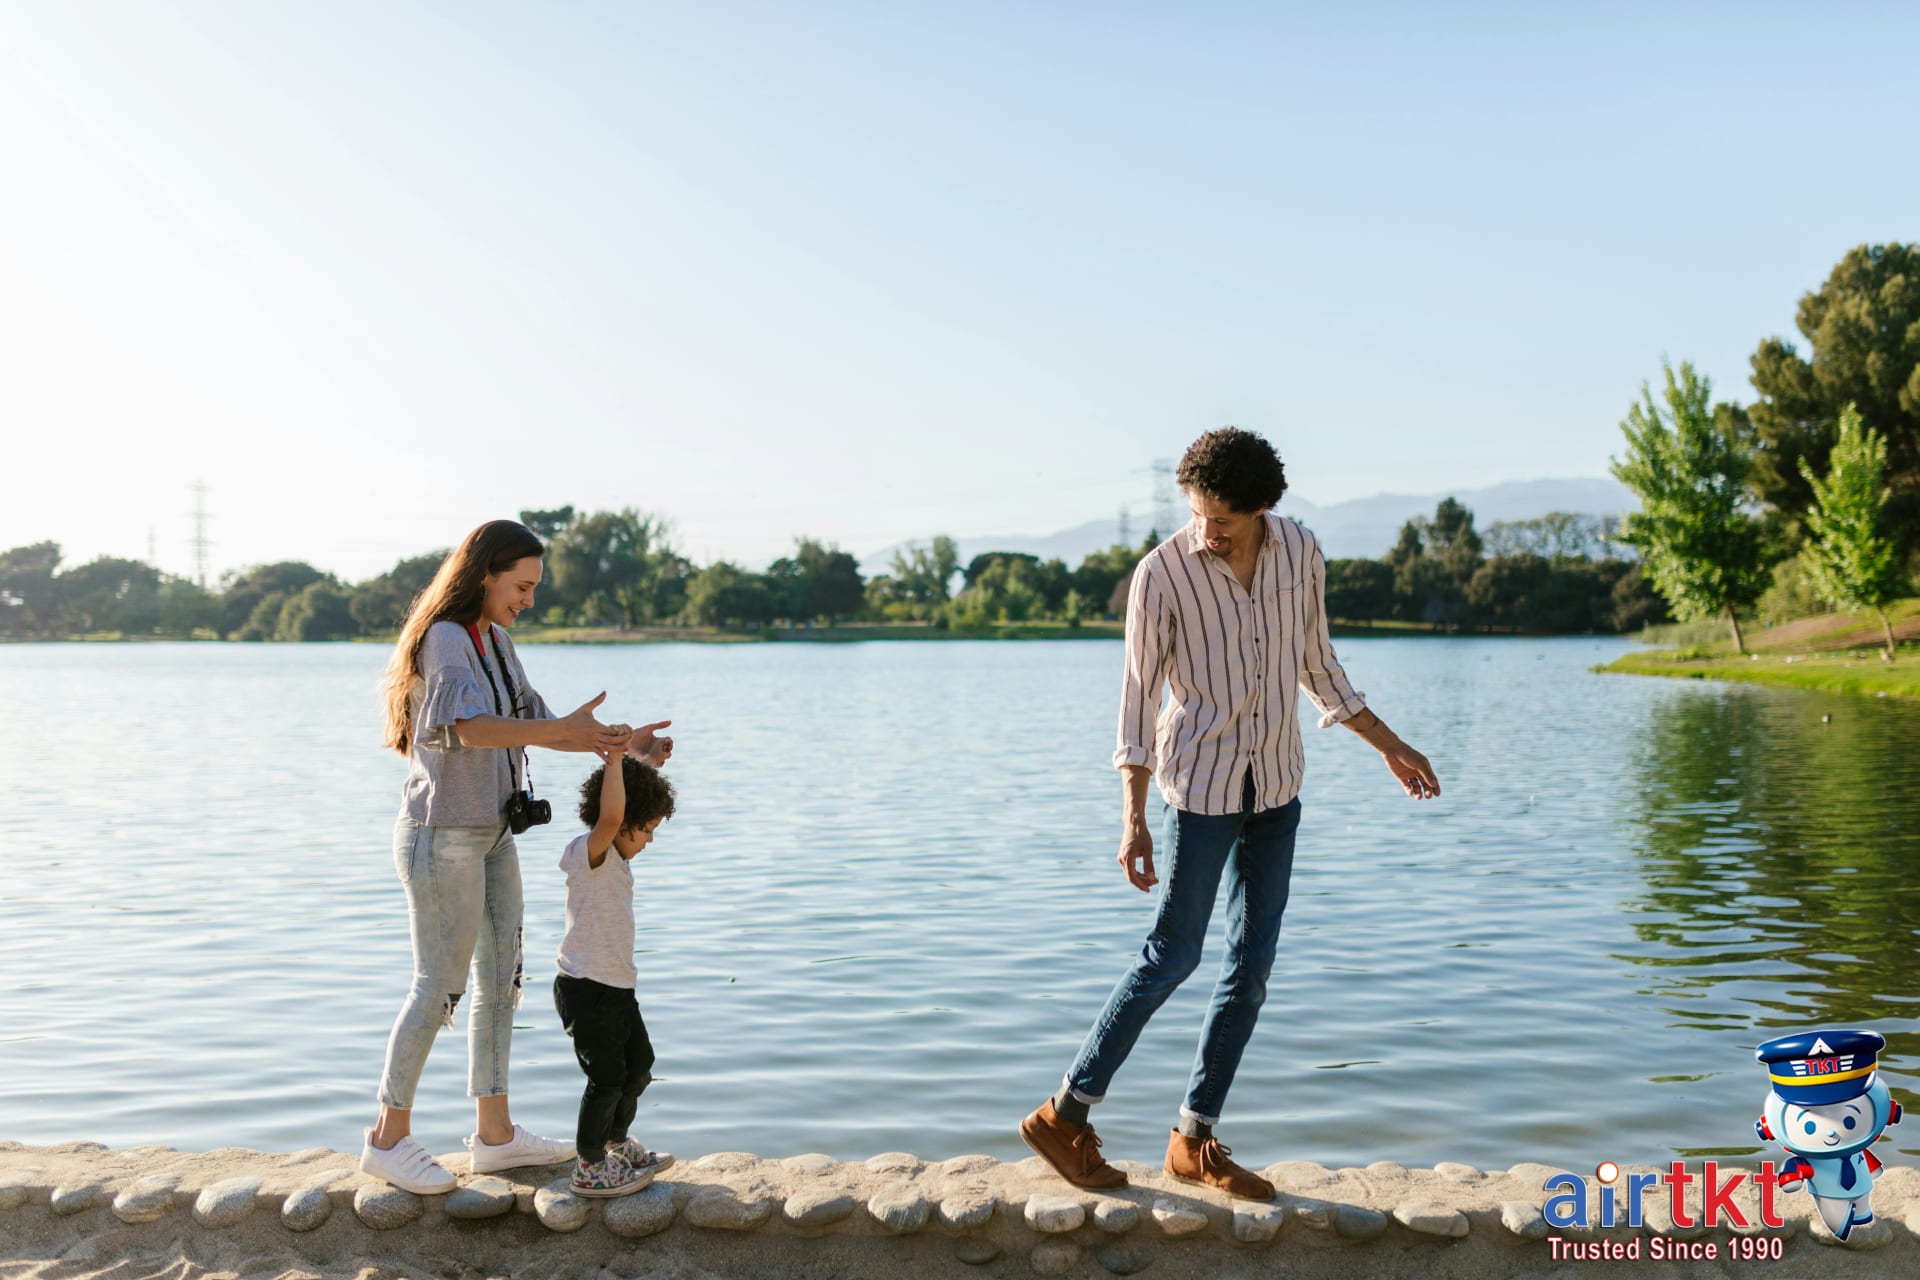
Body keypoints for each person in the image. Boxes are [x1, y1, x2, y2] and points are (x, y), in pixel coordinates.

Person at [1020, 428, 1441, 1201]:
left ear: (1262, 509)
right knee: (1173, 955)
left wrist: (1390, 745)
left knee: (1249, 974)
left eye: (1224, 520)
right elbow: (1137, 701)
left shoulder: (1301, 553)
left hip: (1276, 788)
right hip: (1201, 790)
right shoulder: (1162, 574)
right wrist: (1132, 817)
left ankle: (1193, 1138)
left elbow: (1319, 665)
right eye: (1198, 514)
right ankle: (1065, 1114)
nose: (1207, 531)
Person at [360, 518, 672, 1193]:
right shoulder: (446, 639)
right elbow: (468, 729)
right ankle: (387, 1138)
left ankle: (495, 1137)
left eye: (533, 588)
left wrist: (623, 747)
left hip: (493, 836)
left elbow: (544, 726)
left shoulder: (496, 642)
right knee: (438, 986)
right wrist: (558, 729)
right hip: (441, 838)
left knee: (501, 982)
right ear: (485, 574)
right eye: (522, 585)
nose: (528, 599)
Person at [553, 749, 678, 1197]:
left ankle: (615, 1144)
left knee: (639, 1067)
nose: (649, 839)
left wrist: (638, 758)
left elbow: (623, 798)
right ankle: (588, 1165)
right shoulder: (592, 853)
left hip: (618, 989)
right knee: (606, 1079)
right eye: (645, 829)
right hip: (586, 989)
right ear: (623, 821)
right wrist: (612, 763)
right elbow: (611, 815)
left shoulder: (617, 859)